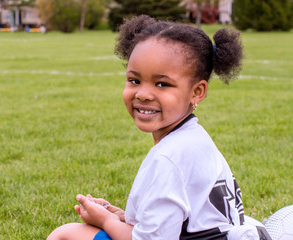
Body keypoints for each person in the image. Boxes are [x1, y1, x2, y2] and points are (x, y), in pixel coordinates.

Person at [47, 15, 269, 240]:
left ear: (197, 92)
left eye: (162, 84)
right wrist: (121, 217)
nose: (143, 94)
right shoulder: (195, 139)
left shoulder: (169, 158)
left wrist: (105, 220)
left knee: (66, 234)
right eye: (134, 80)